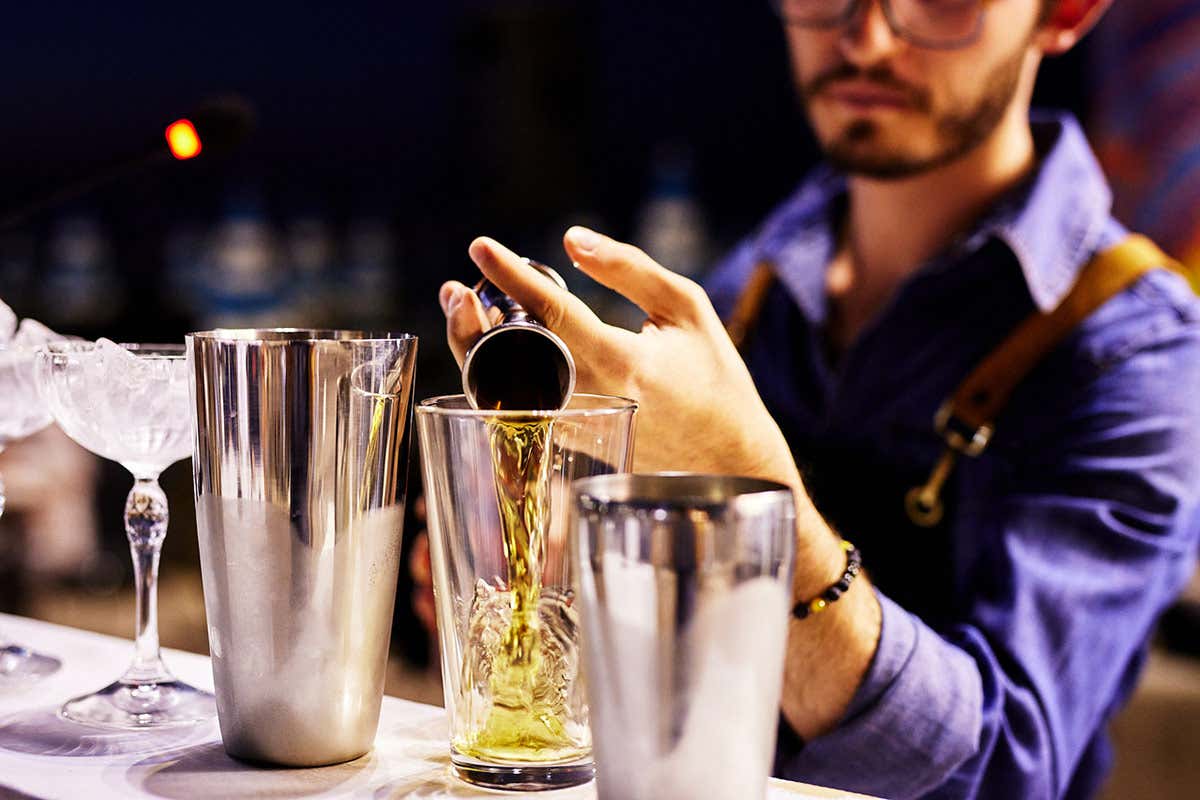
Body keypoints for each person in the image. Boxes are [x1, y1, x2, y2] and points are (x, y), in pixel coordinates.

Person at [435, 1, 1200, 797]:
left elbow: (1007, 767)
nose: (865, 39)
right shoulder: (753, 291)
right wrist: (555, 560)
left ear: (1066, 13)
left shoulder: (1137, 352)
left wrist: (752, 492)